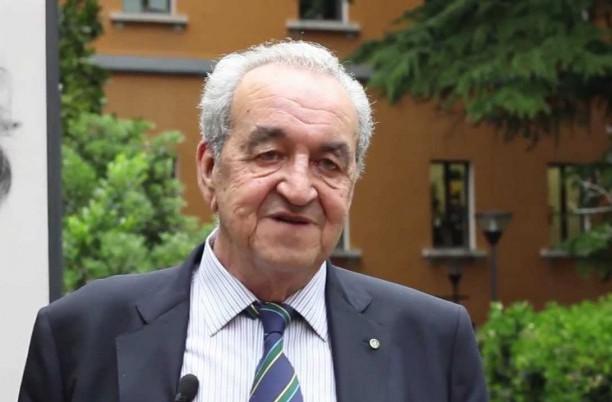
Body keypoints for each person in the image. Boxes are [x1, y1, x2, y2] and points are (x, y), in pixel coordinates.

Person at [19, 41, 487, 402]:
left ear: (351, 184)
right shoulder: (83, 334)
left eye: (328, 164)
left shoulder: (433, 342)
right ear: (209, 169)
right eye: (269, 155)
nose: (299, 189)